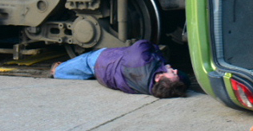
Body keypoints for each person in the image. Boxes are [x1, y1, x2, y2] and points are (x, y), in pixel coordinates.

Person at [52, 39, 188, 98]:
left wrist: (157, 53)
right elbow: (184, 79)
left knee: (87, 60)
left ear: (158, 77)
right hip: (107, 78)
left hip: (102, 62)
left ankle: (58, 71)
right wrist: (175, 79)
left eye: (171, 73)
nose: (175, 71)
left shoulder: (140, 60)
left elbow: (142, 44)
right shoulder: (155, 89)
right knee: (89, 72)